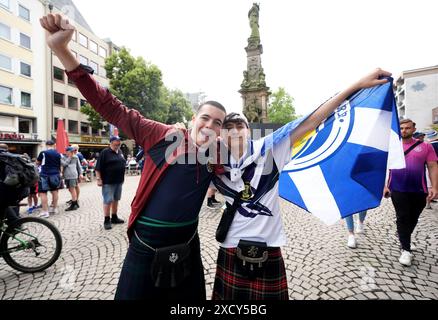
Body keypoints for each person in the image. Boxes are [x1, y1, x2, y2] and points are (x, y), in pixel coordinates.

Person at [40, 13, 227, 301]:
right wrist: (62, 51)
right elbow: (111, 107)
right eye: (206, 118)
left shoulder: (217, 155)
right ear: (193, 119)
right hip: (146, 241)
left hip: (188, 241)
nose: (211, 126)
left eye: (218, 123)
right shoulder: (162, 135)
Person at [212, 68, 393, 300]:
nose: (234, 131)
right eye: (228, 127)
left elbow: (312, 121)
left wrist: (356, 86)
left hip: (268, 246)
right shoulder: (213, 160)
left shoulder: (271, 150)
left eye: (240, 126)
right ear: (221, 135)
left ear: (249, 131)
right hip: (230, 245)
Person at [383, 119, 438, 266]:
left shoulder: (425, 146)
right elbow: (383, 167)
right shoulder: (392, 147)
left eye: (407, 128)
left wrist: (434, 187)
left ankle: (404, 236)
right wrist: (384, 186)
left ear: (414, 129)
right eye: (401, 128)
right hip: (397, 187)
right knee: (402, 217)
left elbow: (432, 166)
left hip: (419, 189)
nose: (404, 130)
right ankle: (406, 250)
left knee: (413, 217)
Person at [95, 136, 127, 230]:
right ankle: (106, 220)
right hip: (108, 181)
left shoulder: (120, 152)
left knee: (116, 199)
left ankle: (114, 217)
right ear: (111, 142)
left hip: (119, 180)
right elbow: (98, 167)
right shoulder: (105, 152)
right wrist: (98, 179)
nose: (118, 143)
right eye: (116, 141)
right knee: (108, 200)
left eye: (119, 141)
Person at [36, 140, 62, 218]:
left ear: (46, 145)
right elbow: (60, 164)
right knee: (55, 191)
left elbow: (38, 162)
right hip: (55, 174)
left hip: (44, 174)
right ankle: (54, 208)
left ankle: (45, 211)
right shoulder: (58, 154)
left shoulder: (43, 153)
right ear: (54, 145)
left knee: (43, 193)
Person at [62, 146, 82, 211]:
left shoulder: (75, 157)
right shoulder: (63, 157)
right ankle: (75, 203)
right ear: (67, 152)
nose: (73, 152)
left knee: (72, 189)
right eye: (71, 151)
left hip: (73, 176)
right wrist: (69, 157)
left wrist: (80, 174)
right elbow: (64, 164)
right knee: (70, 189)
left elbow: (78, 166)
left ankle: (74, 204)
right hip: (67, 176)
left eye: (73, 151)